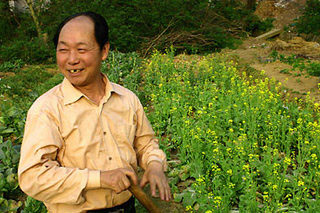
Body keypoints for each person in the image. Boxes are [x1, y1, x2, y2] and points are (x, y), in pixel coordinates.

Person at [18, 11, 171, 213]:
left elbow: (146, 143)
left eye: (81, 49)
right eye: (63, 50)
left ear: (104, 50)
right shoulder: (46, 108)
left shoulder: (127, 99)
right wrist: (99, 178)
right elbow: (32, 177)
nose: (72, 59)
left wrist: (154, 165)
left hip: (127, 207)